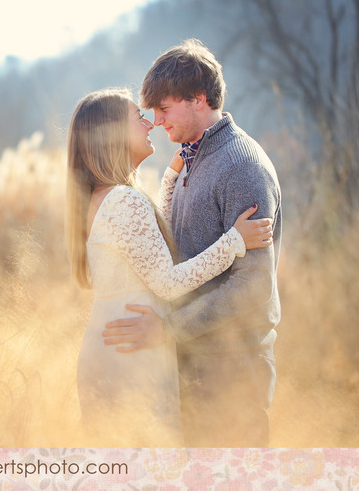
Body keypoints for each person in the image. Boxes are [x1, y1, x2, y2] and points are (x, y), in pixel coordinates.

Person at [65, 86, 273, 446]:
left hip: (116, 347)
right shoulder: (123, 200)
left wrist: (168, 184)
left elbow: (146, 249)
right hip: (132, 356)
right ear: (113, 132)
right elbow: (167, 281)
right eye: (138, 117)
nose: (149, 124)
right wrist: (234, 241)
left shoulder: (106, 196)